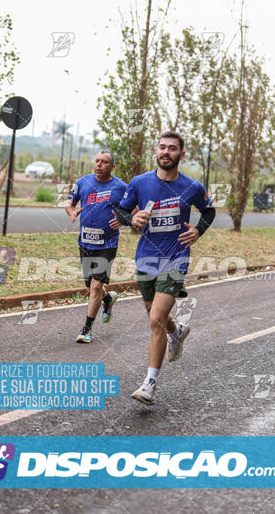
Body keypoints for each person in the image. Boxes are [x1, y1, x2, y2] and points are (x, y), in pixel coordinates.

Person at [114, 131, 215, 405]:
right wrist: (132, 218)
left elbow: (209, 211)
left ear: (181, 154)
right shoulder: (139, 183)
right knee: (155, 316)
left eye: (172, 148)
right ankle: (177, 331)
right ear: (156, 152)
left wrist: (198, 230)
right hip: (146, 257)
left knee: (155, 318)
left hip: (176, 258)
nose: (166, 152)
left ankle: (149, 383)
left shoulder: (192, 187)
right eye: (162, 147)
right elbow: (120, 211)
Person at [65, 151, 127, 343]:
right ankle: (107, 300)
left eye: (105, 162)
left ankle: (87, 329)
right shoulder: (83, 182)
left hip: (107, 243)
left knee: (96, 285)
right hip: (86, 241)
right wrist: (71, 211)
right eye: (97, 161)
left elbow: (134, 209)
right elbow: (68, 202)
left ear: (112, 166)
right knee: (90, 285)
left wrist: (124, 219)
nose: (99, 165)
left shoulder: (121, 187)